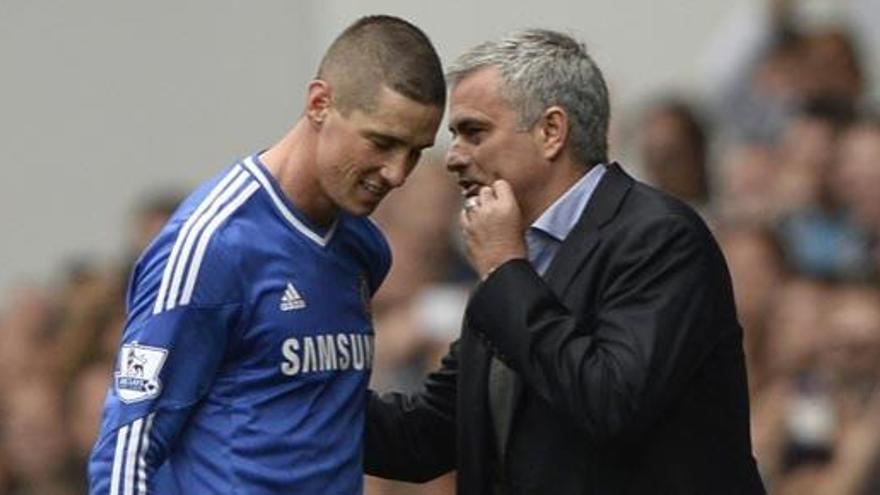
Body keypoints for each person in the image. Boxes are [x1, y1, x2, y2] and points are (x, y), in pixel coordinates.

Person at [364, 29, 766, 494]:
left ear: (551, 131)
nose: (453, 157)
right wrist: (294, 383)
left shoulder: (659, 237)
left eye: (474, 132)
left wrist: (505, 269)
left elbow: (609, 402)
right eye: (455, 136)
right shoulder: (515, 259)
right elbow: (425, 437)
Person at [88, 15, 445, 494]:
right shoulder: (213, 245)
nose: (397, 173)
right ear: (320, 103)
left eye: (415, 151)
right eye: (382, 143)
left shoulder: (364, 245)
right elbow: (128, 450)